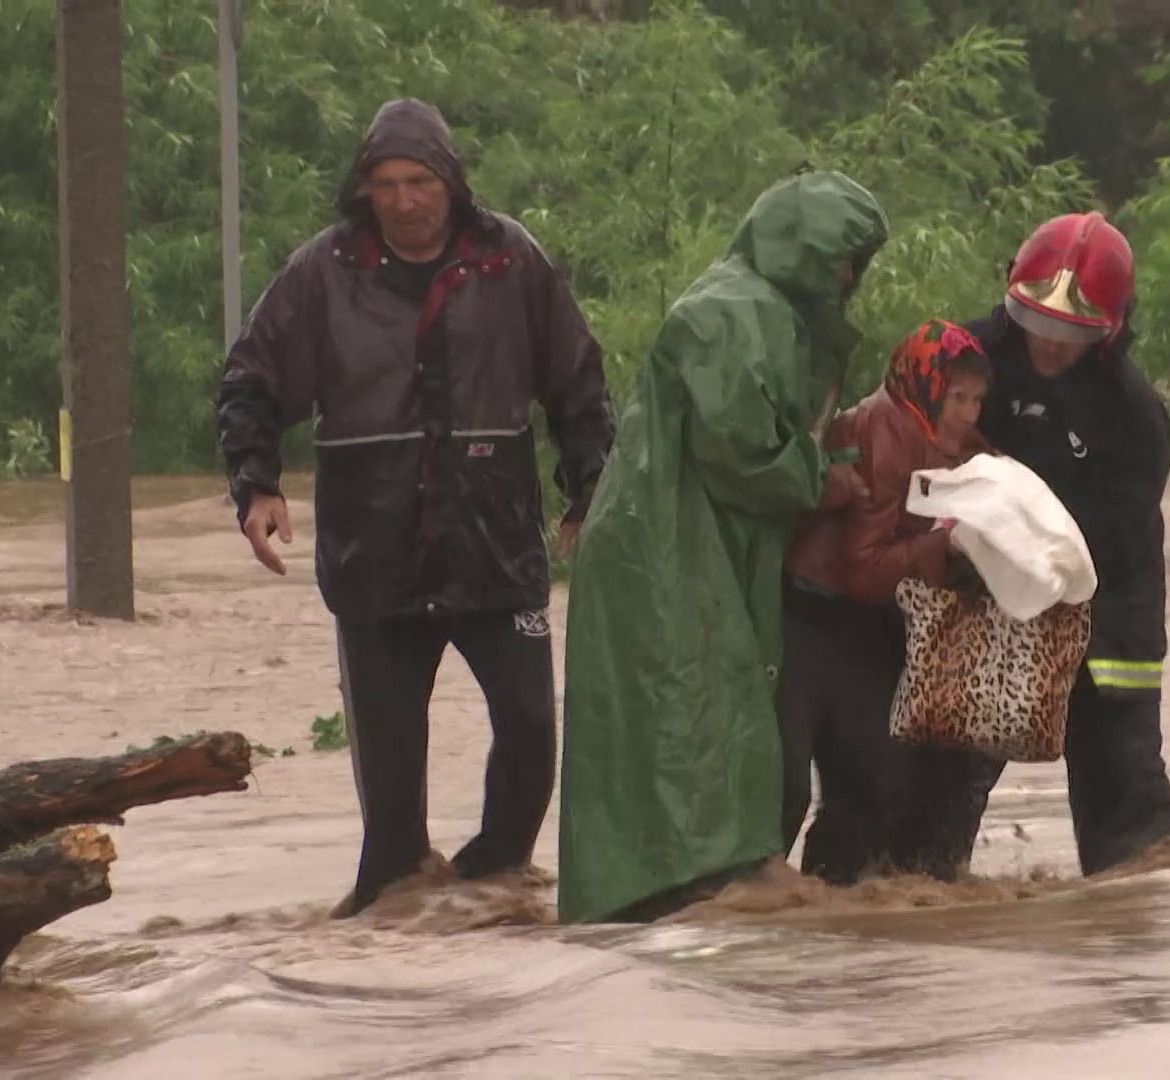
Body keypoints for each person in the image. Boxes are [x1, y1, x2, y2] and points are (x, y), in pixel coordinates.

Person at [215, 98, 615, 917]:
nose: (404, 200)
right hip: (376, 558)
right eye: (386, 184)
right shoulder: (321, 274)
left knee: (534, 729)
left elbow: (576, 382)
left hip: (495, 545)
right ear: (365, 191)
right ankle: (397, 930)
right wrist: (256, 486)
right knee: (391, 800)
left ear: (450, 184)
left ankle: (490, 891)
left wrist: (589, 494)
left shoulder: (513, 261)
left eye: (420, 181)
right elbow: (250, 378)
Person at [556, 169, 889, 924]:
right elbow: (741, 451)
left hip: (684, 533)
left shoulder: (756, 307)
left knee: (694, 705)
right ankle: (689, 878)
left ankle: (678, 881)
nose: (847, 277)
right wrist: (824, 481)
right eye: (843, 258)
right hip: (663, 544)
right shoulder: (732, 314)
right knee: (692, 705)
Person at [947, 210, 1170, 876]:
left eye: (1069, 333)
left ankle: (1138, 912)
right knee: (944, 766)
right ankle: (919, 891)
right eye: (1037, 325)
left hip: (1107, 601)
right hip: (982, 590)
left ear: (1107, 333)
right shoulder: (966, 359)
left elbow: (1124, 525)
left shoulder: (1132, 412)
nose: (1047, 345)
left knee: (1126, 797)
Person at [780, 319, 996, 885]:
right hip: (817, 615)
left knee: (883, 783)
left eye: (977, 400)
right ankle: (793, 911)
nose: (969, 414)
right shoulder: (881, 432)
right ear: (925, 389)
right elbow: (863, 569)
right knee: (800, 789)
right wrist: (940, 544)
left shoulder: (948, 438)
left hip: (872, 622)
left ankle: (839, 924)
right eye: (957, 399)